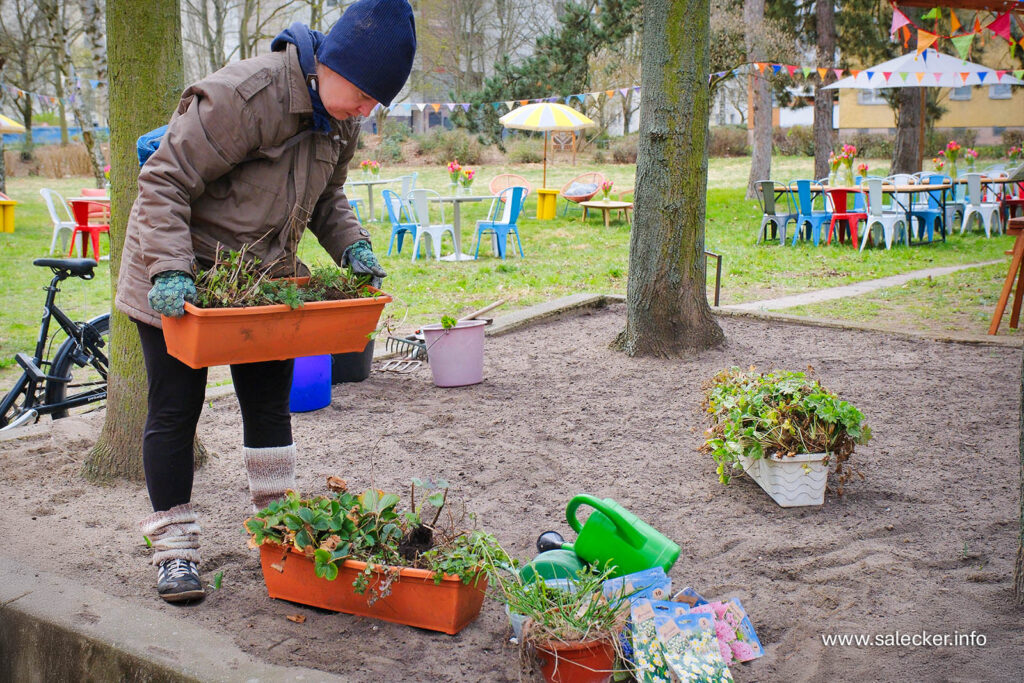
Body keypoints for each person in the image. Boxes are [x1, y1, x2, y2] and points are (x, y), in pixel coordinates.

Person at [115, 0, 416, 603]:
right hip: (179, 272)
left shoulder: (341, 119)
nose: (367, 109)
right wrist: (173, 272)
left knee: (269, 406)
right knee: (175, 410)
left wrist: (351, 248)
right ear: (332, 63)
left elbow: (328, 198)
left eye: (376, 102)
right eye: (363, 94)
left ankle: (278, 532)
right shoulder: (246, 97)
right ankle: (175, 551)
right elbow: (163, 181)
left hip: (262, 281)